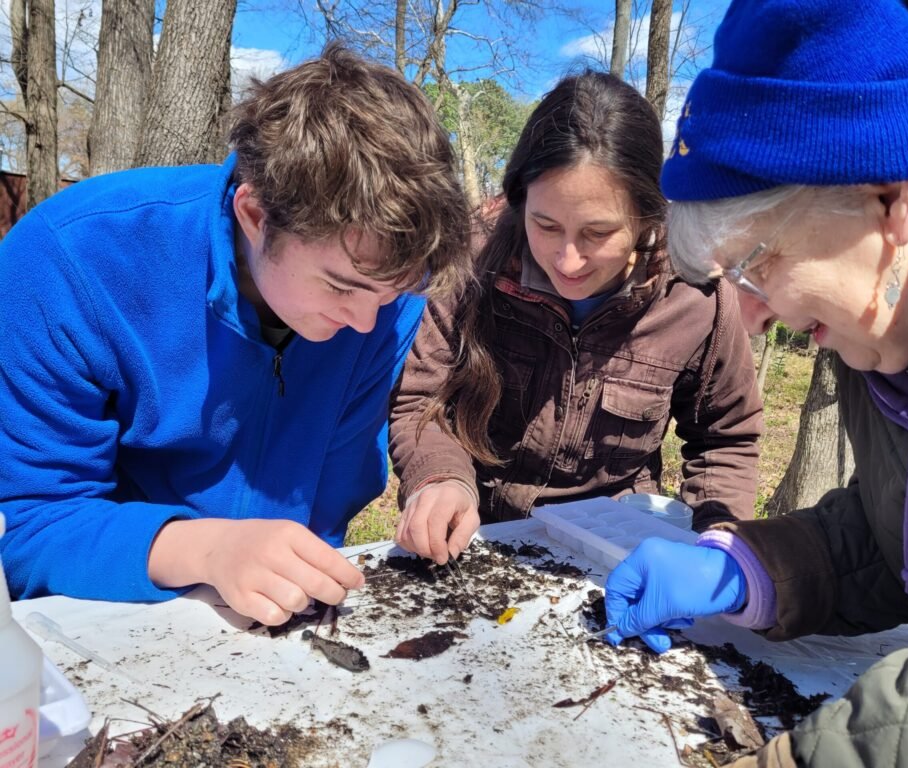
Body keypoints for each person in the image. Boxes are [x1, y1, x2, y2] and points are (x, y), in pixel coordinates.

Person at [603, 0, 908, 764]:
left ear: (893, 200)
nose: (753, 320)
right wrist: (755, 568)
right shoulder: (904, 331)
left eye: (759, 262)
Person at [0, 44, 471, 626]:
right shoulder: (69, 260)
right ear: (255, 215)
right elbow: (31, 522)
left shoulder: (384, 297)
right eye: (340, 287)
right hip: (102, 616)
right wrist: (208, 550)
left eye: (390, 294)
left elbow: (332, 496)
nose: (367, 324)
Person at [389, 72, 763, 565]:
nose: (567, 260)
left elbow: (726, 437)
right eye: (545, 225)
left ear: (649, 216)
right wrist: (439, 478)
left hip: (616, 551)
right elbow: (420, 400)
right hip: (476, 539)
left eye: (598, 232)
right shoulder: (472, 263)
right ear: (521, 199)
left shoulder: (696, 293)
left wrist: (714, 546)